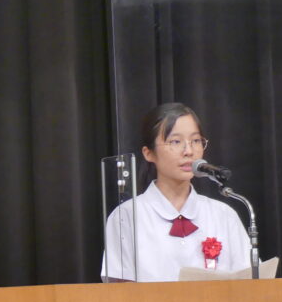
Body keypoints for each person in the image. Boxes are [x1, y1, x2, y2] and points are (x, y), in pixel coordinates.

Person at [102, 103, 251, 282]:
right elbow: (118, 292)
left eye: (196, 141)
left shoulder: (223, 215)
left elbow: (249, 283)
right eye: (175, 142)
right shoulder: (126, 217)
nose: (189, 151)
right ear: (148, 153)